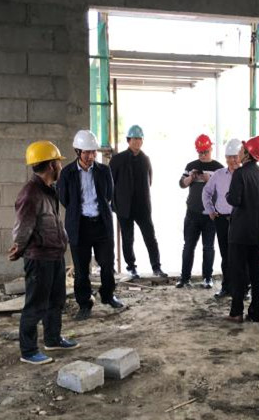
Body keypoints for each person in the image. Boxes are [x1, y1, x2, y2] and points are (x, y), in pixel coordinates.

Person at [9, 141, 78, 365]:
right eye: (58, 162)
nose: (60, 166)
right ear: (51, 165)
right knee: (35, 305)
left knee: (56, 301)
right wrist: (19, 247)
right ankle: (28, 351)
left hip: (54, 254)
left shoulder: (49, 190)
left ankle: (53, 339)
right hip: (39, 259)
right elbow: (23, 227)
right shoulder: (30, 194)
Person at [57, 129, 122, 321]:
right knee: (81, 269)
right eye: (87, 152)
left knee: (107, 264)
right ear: (78, 152)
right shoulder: (67, 173)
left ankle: (108, 295)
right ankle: (84, 303)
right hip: (80, 226)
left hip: (101, 224)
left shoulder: (104, 170)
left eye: (93, 152)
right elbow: (64, 199)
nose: (91, 156)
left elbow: (108, 195)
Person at [225, 136, 259, 323]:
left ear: (247, 154)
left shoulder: (240, 174)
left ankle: (236, 312)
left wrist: (228, 194)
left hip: (240, 233)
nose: (239, 152)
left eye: (242, 150)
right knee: (256, 274)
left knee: (238, 273)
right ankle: (255, 313)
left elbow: (234, 200)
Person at [109, 124, 167, 280]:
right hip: (124, 207)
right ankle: (132, 268)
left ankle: (156, 267)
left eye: (139, 139)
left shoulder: (145, 159)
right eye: (134, 139)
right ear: (128, 140)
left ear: (142, 141)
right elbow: (110, 182)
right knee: (128, 239)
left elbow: (149, 181)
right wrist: (114, 203)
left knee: (150, 237)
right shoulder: (117, 159)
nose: (137, 142)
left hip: (142, 207)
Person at [177, 134, 224, 289]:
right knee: (188, 246)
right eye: (200, 153)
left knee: (208, 247)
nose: (203, 155)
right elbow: (181, 184)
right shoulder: (191, 165)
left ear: (211, 149)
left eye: (205, 152)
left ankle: (207, 278)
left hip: (210, 214)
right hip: (192, 213)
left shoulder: (218, 167)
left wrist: (209, 179)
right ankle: (184, 278)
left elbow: (224, 188)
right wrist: (190, 178)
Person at [202, 138, 242, 299]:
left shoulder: (245, 174)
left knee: (240, 256)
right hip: (222, 220)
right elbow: (206, 192)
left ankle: (242, 289)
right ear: (226, 158)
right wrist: (210, 210)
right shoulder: (218, 175)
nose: (233, 160)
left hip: (240, 221)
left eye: (235, 156)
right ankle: (227, 287)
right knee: (226, 255)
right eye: (229, 157)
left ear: (241, 156)